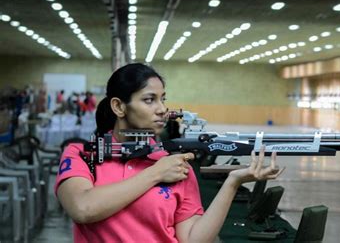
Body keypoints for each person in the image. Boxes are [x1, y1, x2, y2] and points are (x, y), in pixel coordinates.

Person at [55, 63, 284, 242]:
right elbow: (83, 208)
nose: (162, 109)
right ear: (119, 106)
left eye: (163, 99)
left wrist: (233, 183)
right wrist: (155, 173)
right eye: (149, 100)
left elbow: (192, 240)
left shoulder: (174, 165)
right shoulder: (83, 156)